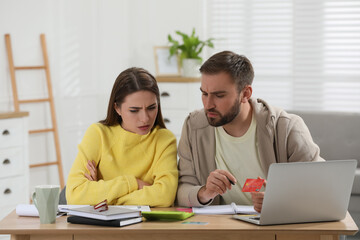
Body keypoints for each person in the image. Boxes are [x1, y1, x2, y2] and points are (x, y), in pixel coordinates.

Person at [176, 51, 324, 212]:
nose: (208, 104)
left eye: (219, 95)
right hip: (223, 228)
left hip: (276, 227)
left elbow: (320, 186)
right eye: (204, 94)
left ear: (245, 93)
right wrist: (203, 192)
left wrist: (280, 201)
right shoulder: (194, 126)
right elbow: (183, 188)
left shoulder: (286, 127)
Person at [66, 67, 178, 207]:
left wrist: (105, 198)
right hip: (102, 227)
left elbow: (164, 196)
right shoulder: (98, 134)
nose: (145, 118)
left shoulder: (165, 140)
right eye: (134, 110)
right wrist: (134, 184)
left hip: (145, 227)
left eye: (151, 107)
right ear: (117, 108)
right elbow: (75, 195)